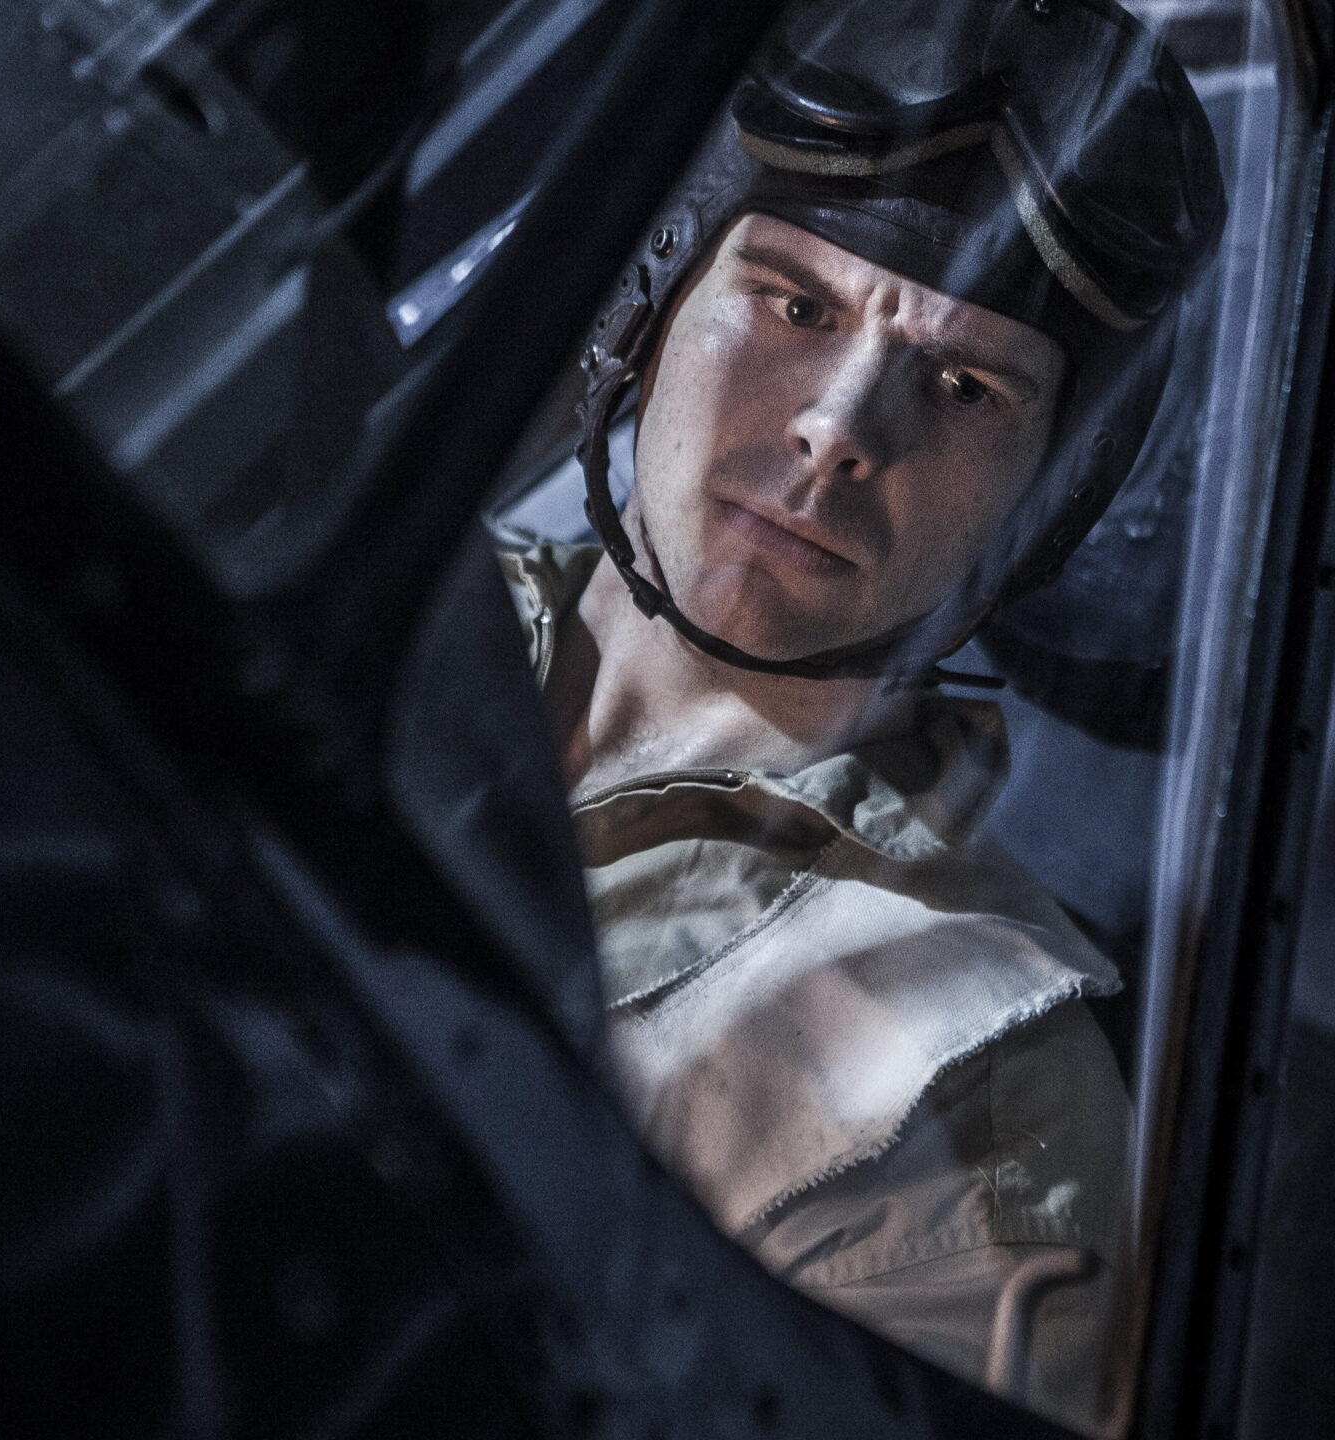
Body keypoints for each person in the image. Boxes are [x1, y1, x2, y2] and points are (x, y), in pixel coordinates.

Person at [498, 0, 1222, 1429]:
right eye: (795, 305)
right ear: (653, 308)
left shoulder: (977, 1081)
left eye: (964, 385)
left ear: (1047, 504)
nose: (840, 426)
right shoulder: (376, 618)